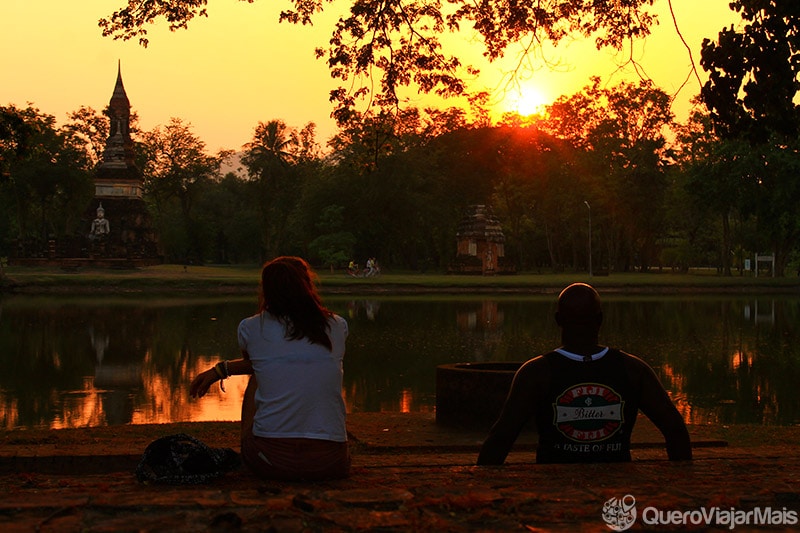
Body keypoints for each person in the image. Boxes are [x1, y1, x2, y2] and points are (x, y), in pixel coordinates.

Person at [477, 282, 692, 465]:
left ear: (558, 320)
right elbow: (675, 431)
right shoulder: (633, 369)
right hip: (617, 486)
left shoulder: (536, 372)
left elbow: (501, 438)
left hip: (555, 486)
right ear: (600, 319)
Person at [190, 256, 350, 480]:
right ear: (307, 285)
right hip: (330, 463)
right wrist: (221, 370)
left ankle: (249, 456)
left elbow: (257, 365)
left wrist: (220, 370)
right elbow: (278, 360)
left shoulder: (251, 327)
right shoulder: (337, 326)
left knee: (257, 376)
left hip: (271, 461)